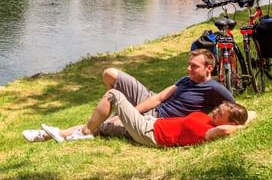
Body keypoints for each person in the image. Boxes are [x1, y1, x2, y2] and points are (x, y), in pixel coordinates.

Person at [22, 49, 234, 142]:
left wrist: (130, 114)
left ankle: (52, 135)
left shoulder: (215, 89)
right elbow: (159, 98)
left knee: (104, 122)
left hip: (156, 121)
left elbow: (237, 111)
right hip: (152, 104)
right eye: (188, 64)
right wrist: (133, 109)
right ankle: (85, 127)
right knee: (110, 74)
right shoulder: (185, 79)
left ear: (209, 68)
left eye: (194, 66)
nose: (188, 69)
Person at [33, 90, 253, 147]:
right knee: (103, 124)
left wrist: (239, 126)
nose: (215, 111)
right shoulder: (210, 121)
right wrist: (247, 118)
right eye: (218, 108)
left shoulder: (212, 131)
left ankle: (84, 134)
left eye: (220, 112)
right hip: (150, 124)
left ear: (230, 122)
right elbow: (250, 114)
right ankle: (51, 135)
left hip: (150, 134)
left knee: (114, 95)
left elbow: (226, 131)